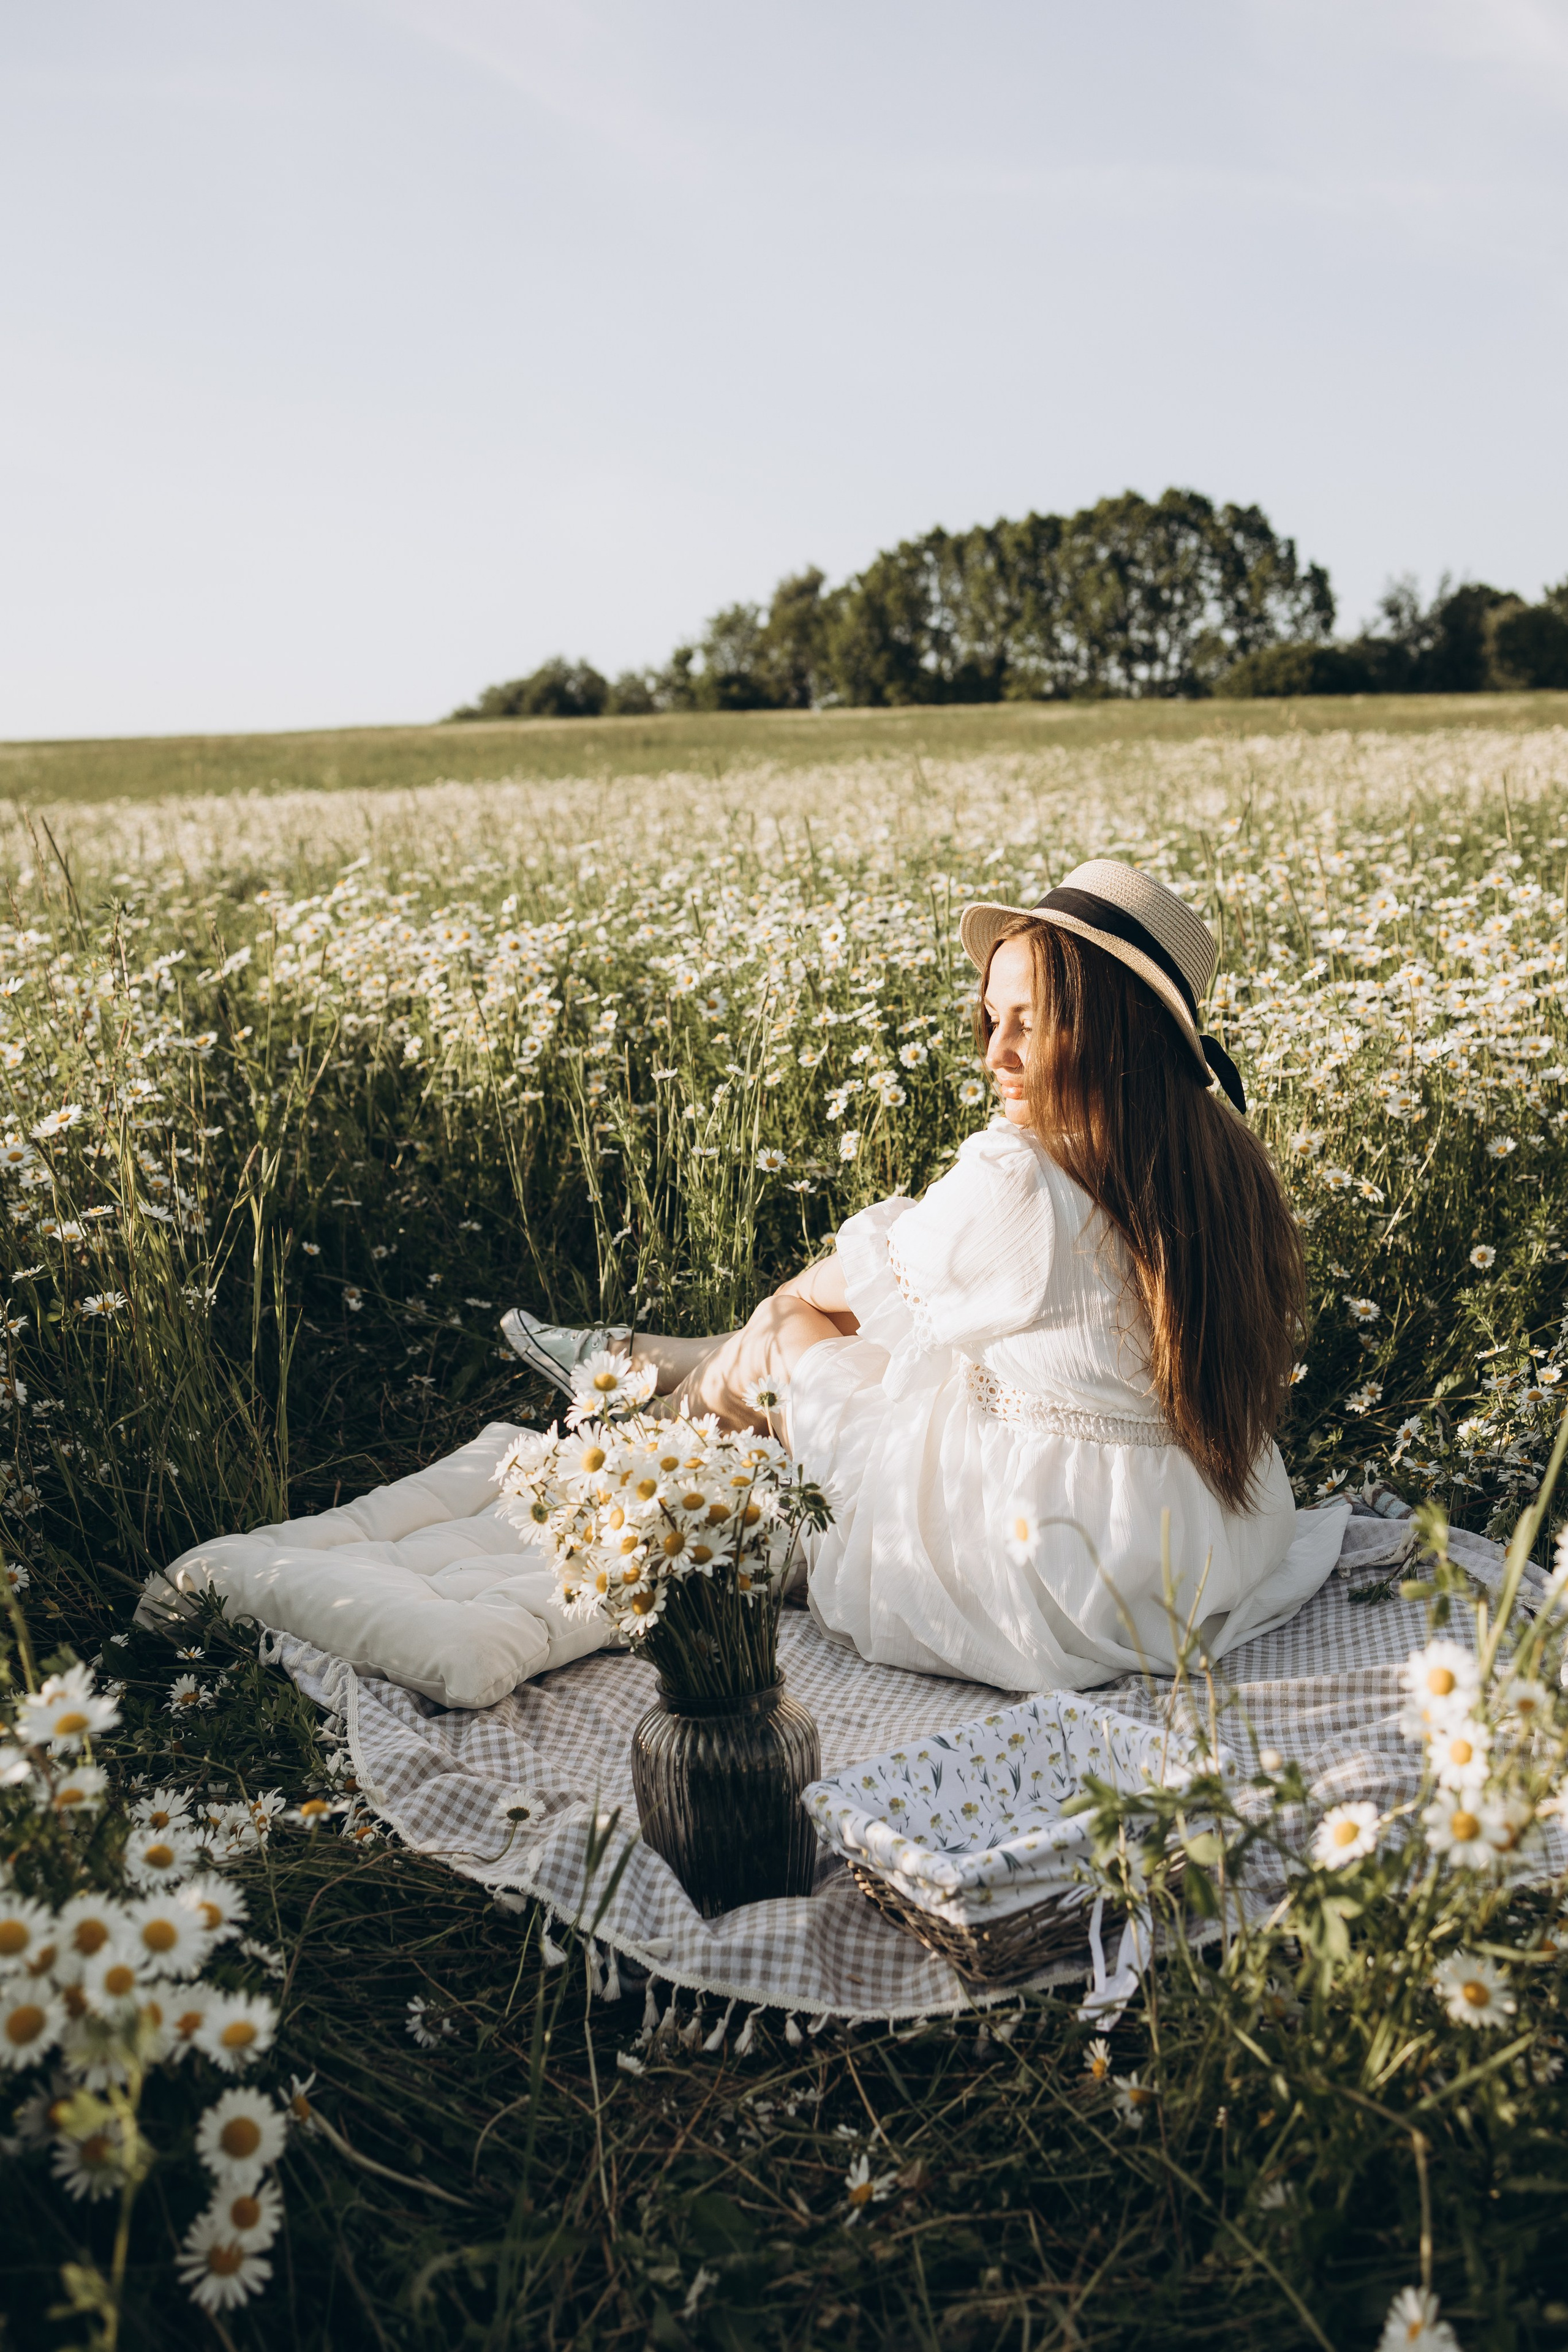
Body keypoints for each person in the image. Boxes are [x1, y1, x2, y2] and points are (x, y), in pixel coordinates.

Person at [507, 859, 1348, 1691]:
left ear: (1112, 1031)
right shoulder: (1220, 1156)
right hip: (1196, 1545)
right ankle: (653, 1361)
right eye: (993, 1020)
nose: (998, 1055)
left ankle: (626, 1434)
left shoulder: (1020, 1177)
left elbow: (828, 1293)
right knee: (889, 1331)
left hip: (1057, 1571)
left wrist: (782, 1314)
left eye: (1030, 1022)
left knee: (788, 1323)